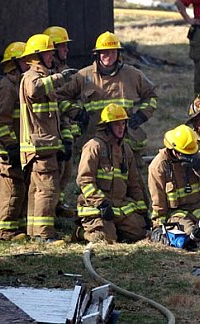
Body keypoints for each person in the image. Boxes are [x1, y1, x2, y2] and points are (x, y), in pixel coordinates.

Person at [19, 32, 77, 243]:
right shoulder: (32, 77)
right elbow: (35, 90)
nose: (52, 57)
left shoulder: (42, 77)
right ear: (37, 57)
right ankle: (44, 234)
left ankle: (34, 232)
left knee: (37, 190)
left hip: (45, 144)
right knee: (48, 190)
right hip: (40, 146)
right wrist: (60, 77)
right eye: (48, 54)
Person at [64, 31, 158, 152]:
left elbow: (152, 95)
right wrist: (77, 114)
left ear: (118, 54)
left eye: (113, 52)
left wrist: (141, 116)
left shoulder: (132, 75)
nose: (109, 56)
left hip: (125, 140)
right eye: (105, 52)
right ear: (97, 54)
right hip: (94, 139)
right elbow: (62, 97)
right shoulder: (83, 76)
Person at [75, 104, 149, 244]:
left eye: (123, 123)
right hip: (97, 207)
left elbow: (134, 183)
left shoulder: (126, 150)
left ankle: (116, 229)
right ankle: (81, 233)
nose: (121, 128)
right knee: (105, 240)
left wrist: (143, 212)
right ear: (107, 126)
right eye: (116, 124)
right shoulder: (94, 146)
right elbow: (84, 180)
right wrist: (101, 203)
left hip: (119, 207)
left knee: (139, 233)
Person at [0, 41, 29, 240]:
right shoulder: (7, 87)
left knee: (22, 188)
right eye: (25, 60)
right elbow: (2, 120)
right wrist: (11, 145)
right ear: (14, 63)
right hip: (8, 149)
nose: (30, 63)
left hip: (20, 146)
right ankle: (6, 231)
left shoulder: (22, 83)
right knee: (12, 190)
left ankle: (19, 228)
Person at [44, 25, 82, 217]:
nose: (67, 50)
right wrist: (74, 113)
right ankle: (48, 211)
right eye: (63, 46)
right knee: (56, 171)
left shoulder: (64, 70)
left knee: (66, 170)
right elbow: (59, 102)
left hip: (65, 128)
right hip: (51, 131)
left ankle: (57, 205)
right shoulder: (48, 75)